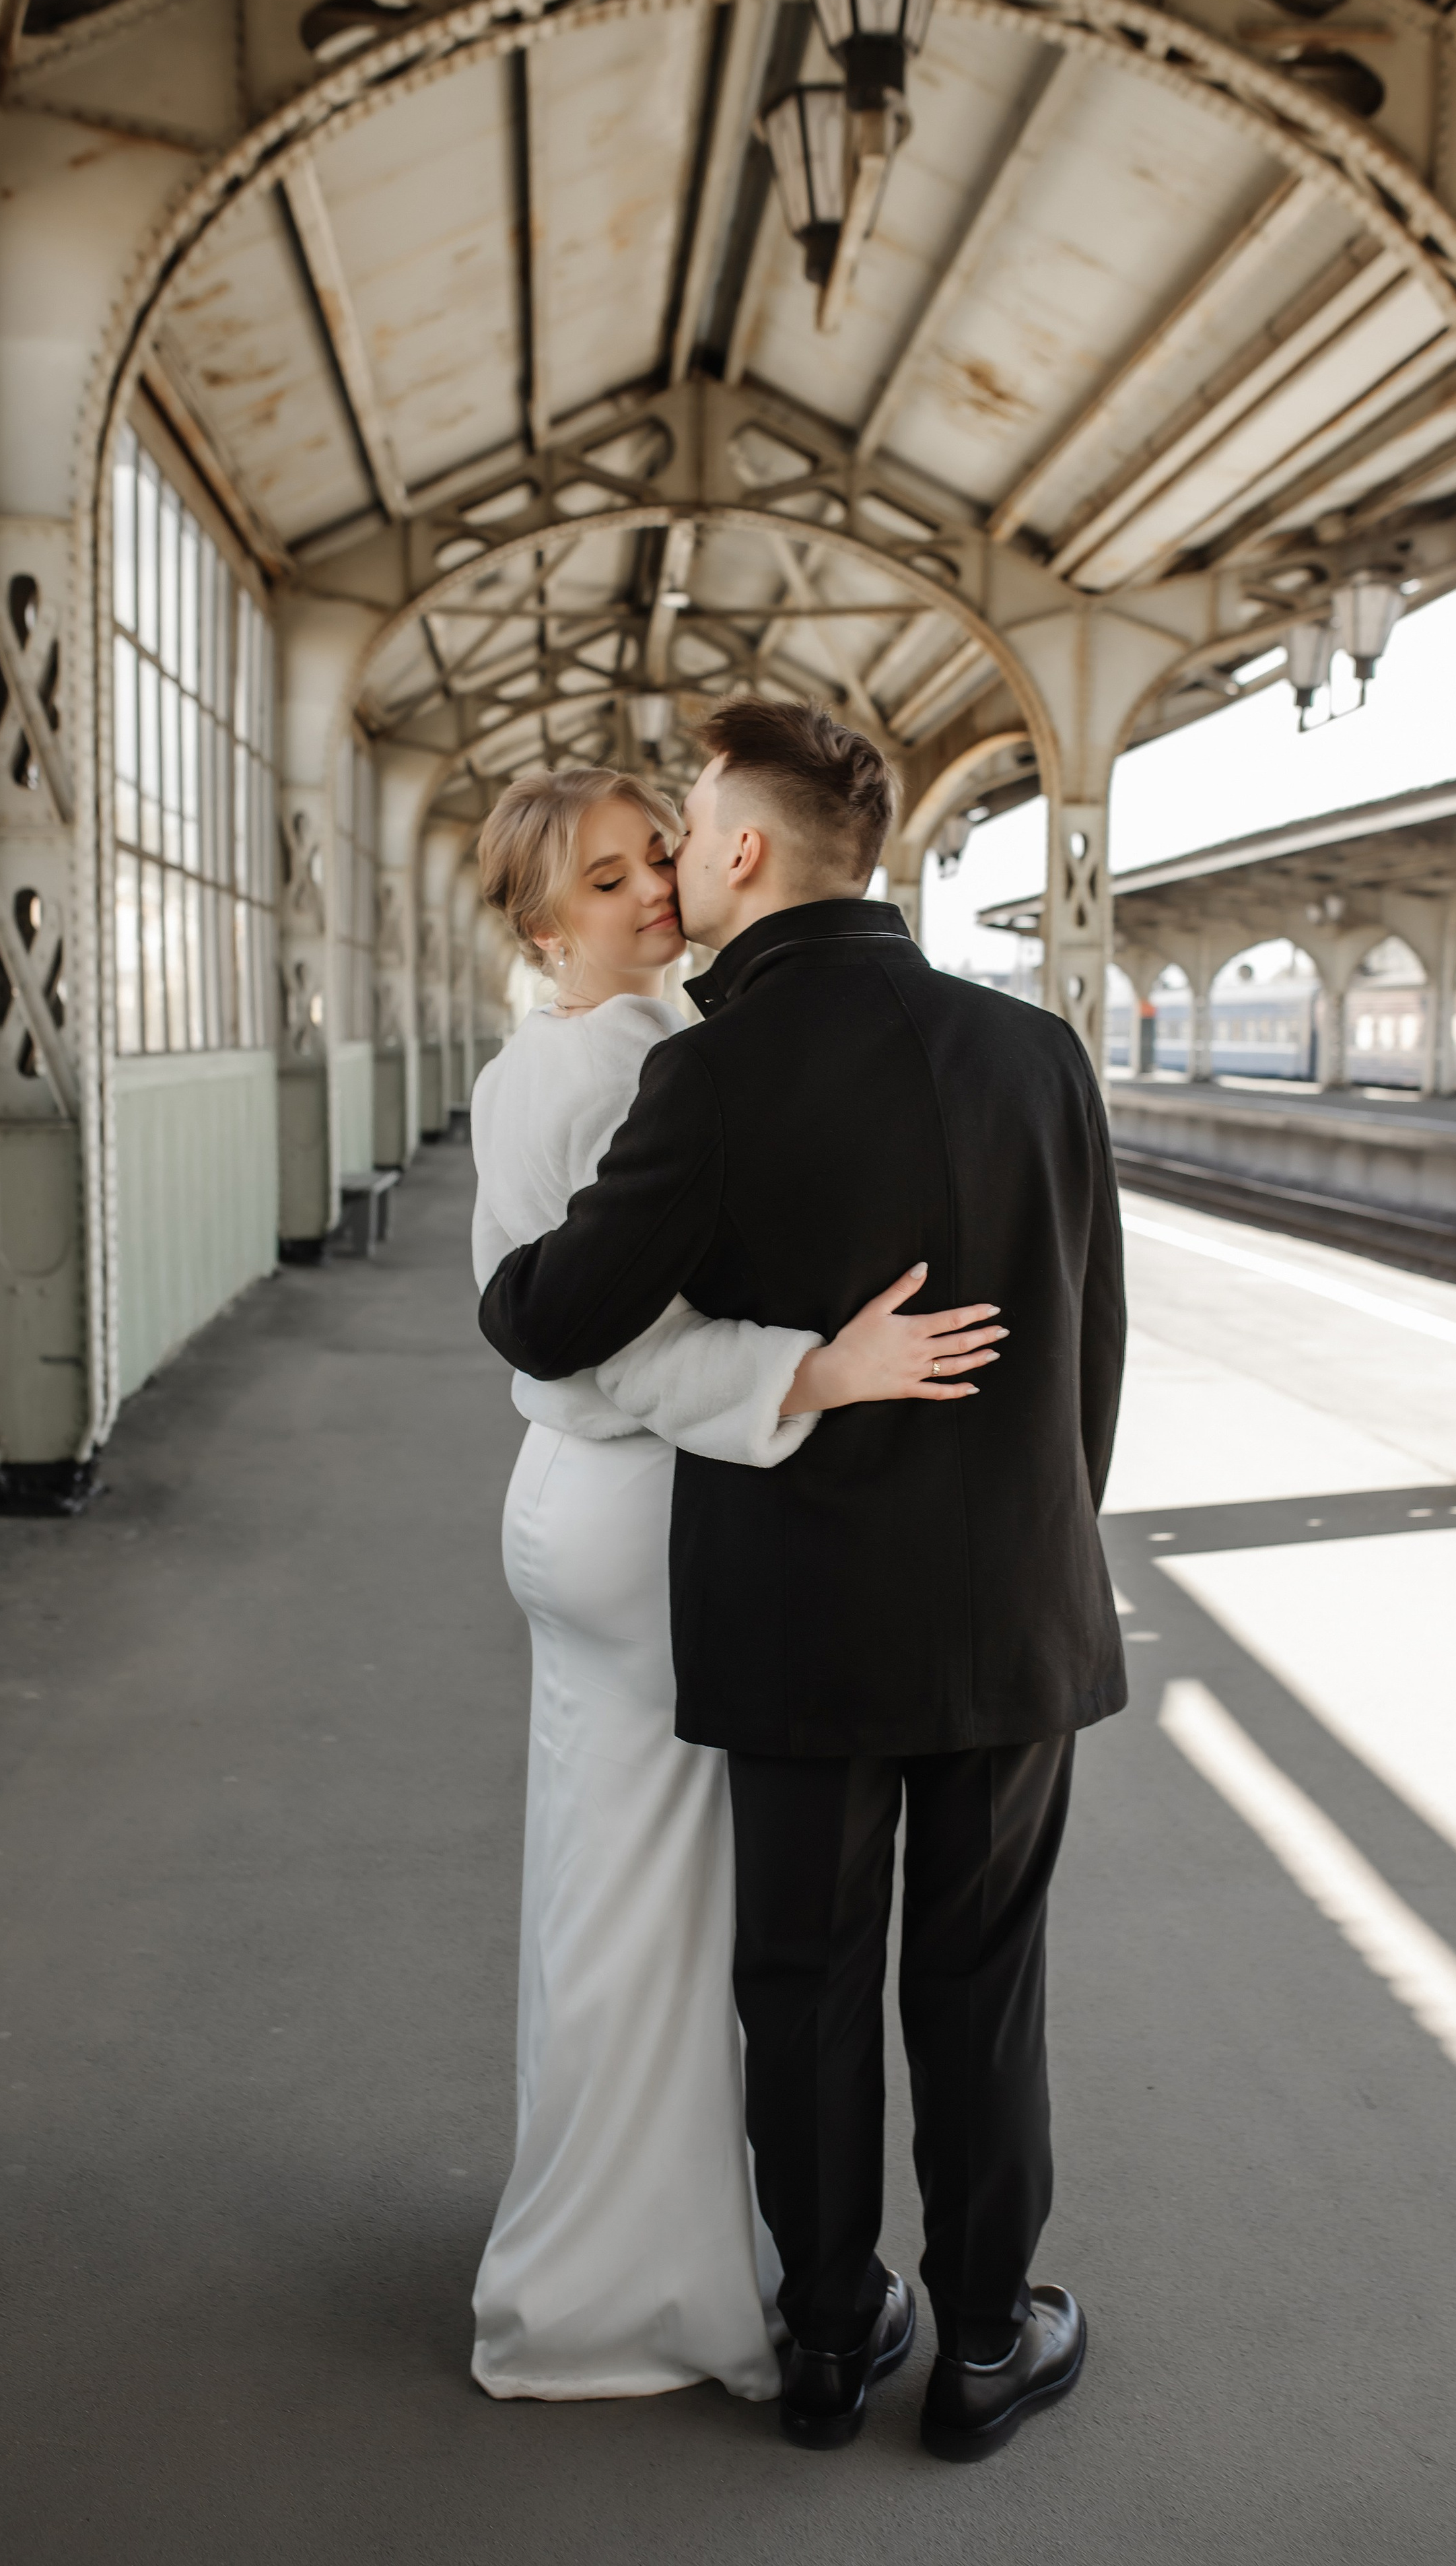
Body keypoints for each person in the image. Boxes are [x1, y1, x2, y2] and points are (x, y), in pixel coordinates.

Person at [479, 702, 1128, 2463]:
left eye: (688, 825)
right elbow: (1094, 1355)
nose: (679, 859)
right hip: (1014, 1606)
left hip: (799, 1613)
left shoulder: (713, 1070)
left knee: (811, 1979)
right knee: (982, 1982)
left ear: (746, 851)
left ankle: (831, 2346)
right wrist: (1039, 1545)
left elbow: (548, 1315)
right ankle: (988, 2343)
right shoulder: (1039, 1051)